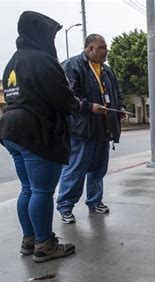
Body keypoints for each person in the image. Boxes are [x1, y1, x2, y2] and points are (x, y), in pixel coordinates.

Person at [0, 11, 79, 262]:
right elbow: (63, 100)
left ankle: (29, 239)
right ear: (40, 33)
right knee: (42, 191)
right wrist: (79, 104)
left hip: (11, 129)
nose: (52, 40)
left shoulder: (13, 61)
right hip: (36, 130)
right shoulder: (42, 59)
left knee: (28, 189)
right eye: (50, 35)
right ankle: (44, 245)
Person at [56, 34, 124, 224]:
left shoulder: (107, 70)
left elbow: (116, 93)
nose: (106, 51)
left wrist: (121, 108)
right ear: (90, 49)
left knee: (98, 169)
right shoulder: (72, 65)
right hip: (82, 130)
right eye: (102, 47)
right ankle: (65, 207)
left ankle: (95, 201)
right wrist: (89, 107)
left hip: (103, 128)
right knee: (75, 169)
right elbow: (68, 96)